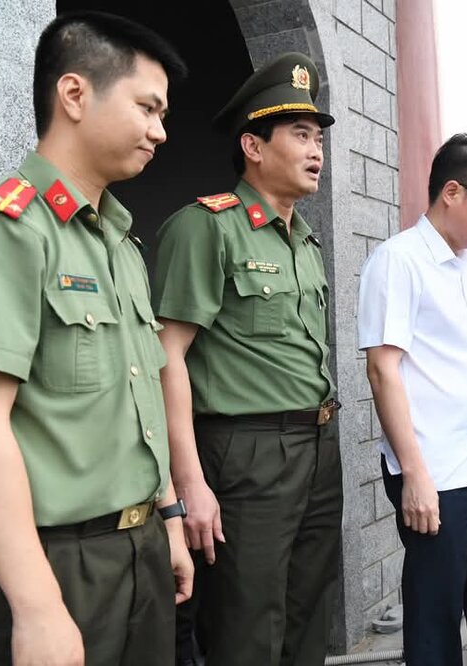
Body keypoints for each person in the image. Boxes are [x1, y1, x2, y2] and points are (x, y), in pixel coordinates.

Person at [0, 11, 191, 665]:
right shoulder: (0, 229)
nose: (160, 131)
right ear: (74, 94)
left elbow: (138, 404)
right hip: (45, 562)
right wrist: (38, 608)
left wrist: (165, 520)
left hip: (135, 556)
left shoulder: (120, 246)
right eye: (148, 107)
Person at [152, 52, 341, 666]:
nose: (316, 150)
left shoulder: (305, 242)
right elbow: (166, 357)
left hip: (317, 444)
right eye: (300, 135)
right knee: (246, 620)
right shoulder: (206, 228)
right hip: (245, 453)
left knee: (308, 610)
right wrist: (189, 485)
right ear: (253, 146)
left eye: (319, 136)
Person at [358, 134, 467, 666]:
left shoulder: (464, 265)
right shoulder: (398, 261)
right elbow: (383, 370)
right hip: (435, 474)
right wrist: (414, 476)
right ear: (452, 191)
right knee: (435, 617)